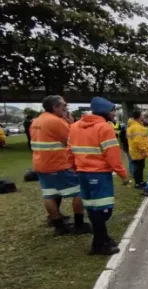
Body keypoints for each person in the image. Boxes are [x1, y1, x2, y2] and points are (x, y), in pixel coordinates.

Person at [67, 97, 129, 255]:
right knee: (103, 211)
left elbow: (69, 151)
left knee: (93, 209)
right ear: (106, 111)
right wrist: (123, 175)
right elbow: (112, 155)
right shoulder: (104, 128)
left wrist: (75, 168)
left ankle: (103, 239)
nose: (114, 114)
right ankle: (99, 244)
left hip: (83, 174)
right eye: (113, 111)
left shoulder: (74, 127)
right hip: (100, 175)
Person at [31, 95, 90, 236]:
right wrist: (71, 123)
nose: (66, 108)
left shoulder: (36, 121)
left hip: (41, 164)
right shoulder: (56, 121)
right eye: (64, 105)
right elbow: (72, 139)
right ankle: (79, 224)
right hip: (59, 164)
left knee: (49, 194)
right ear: (55, 107)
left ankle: (58, 226)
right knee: (79, 191)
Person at [126, 110, 148, 189]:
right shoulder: (136, 127)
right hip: (138, 151)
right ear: (139, 117)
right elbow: (138, 141)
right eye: (142, 116)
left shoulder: (134, 126)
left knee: (140, 167)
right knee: (138, 168)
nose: (143, 117)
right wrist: (143, 150)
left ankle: (140, 181)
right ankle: (138, 183)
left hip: (135, 150)